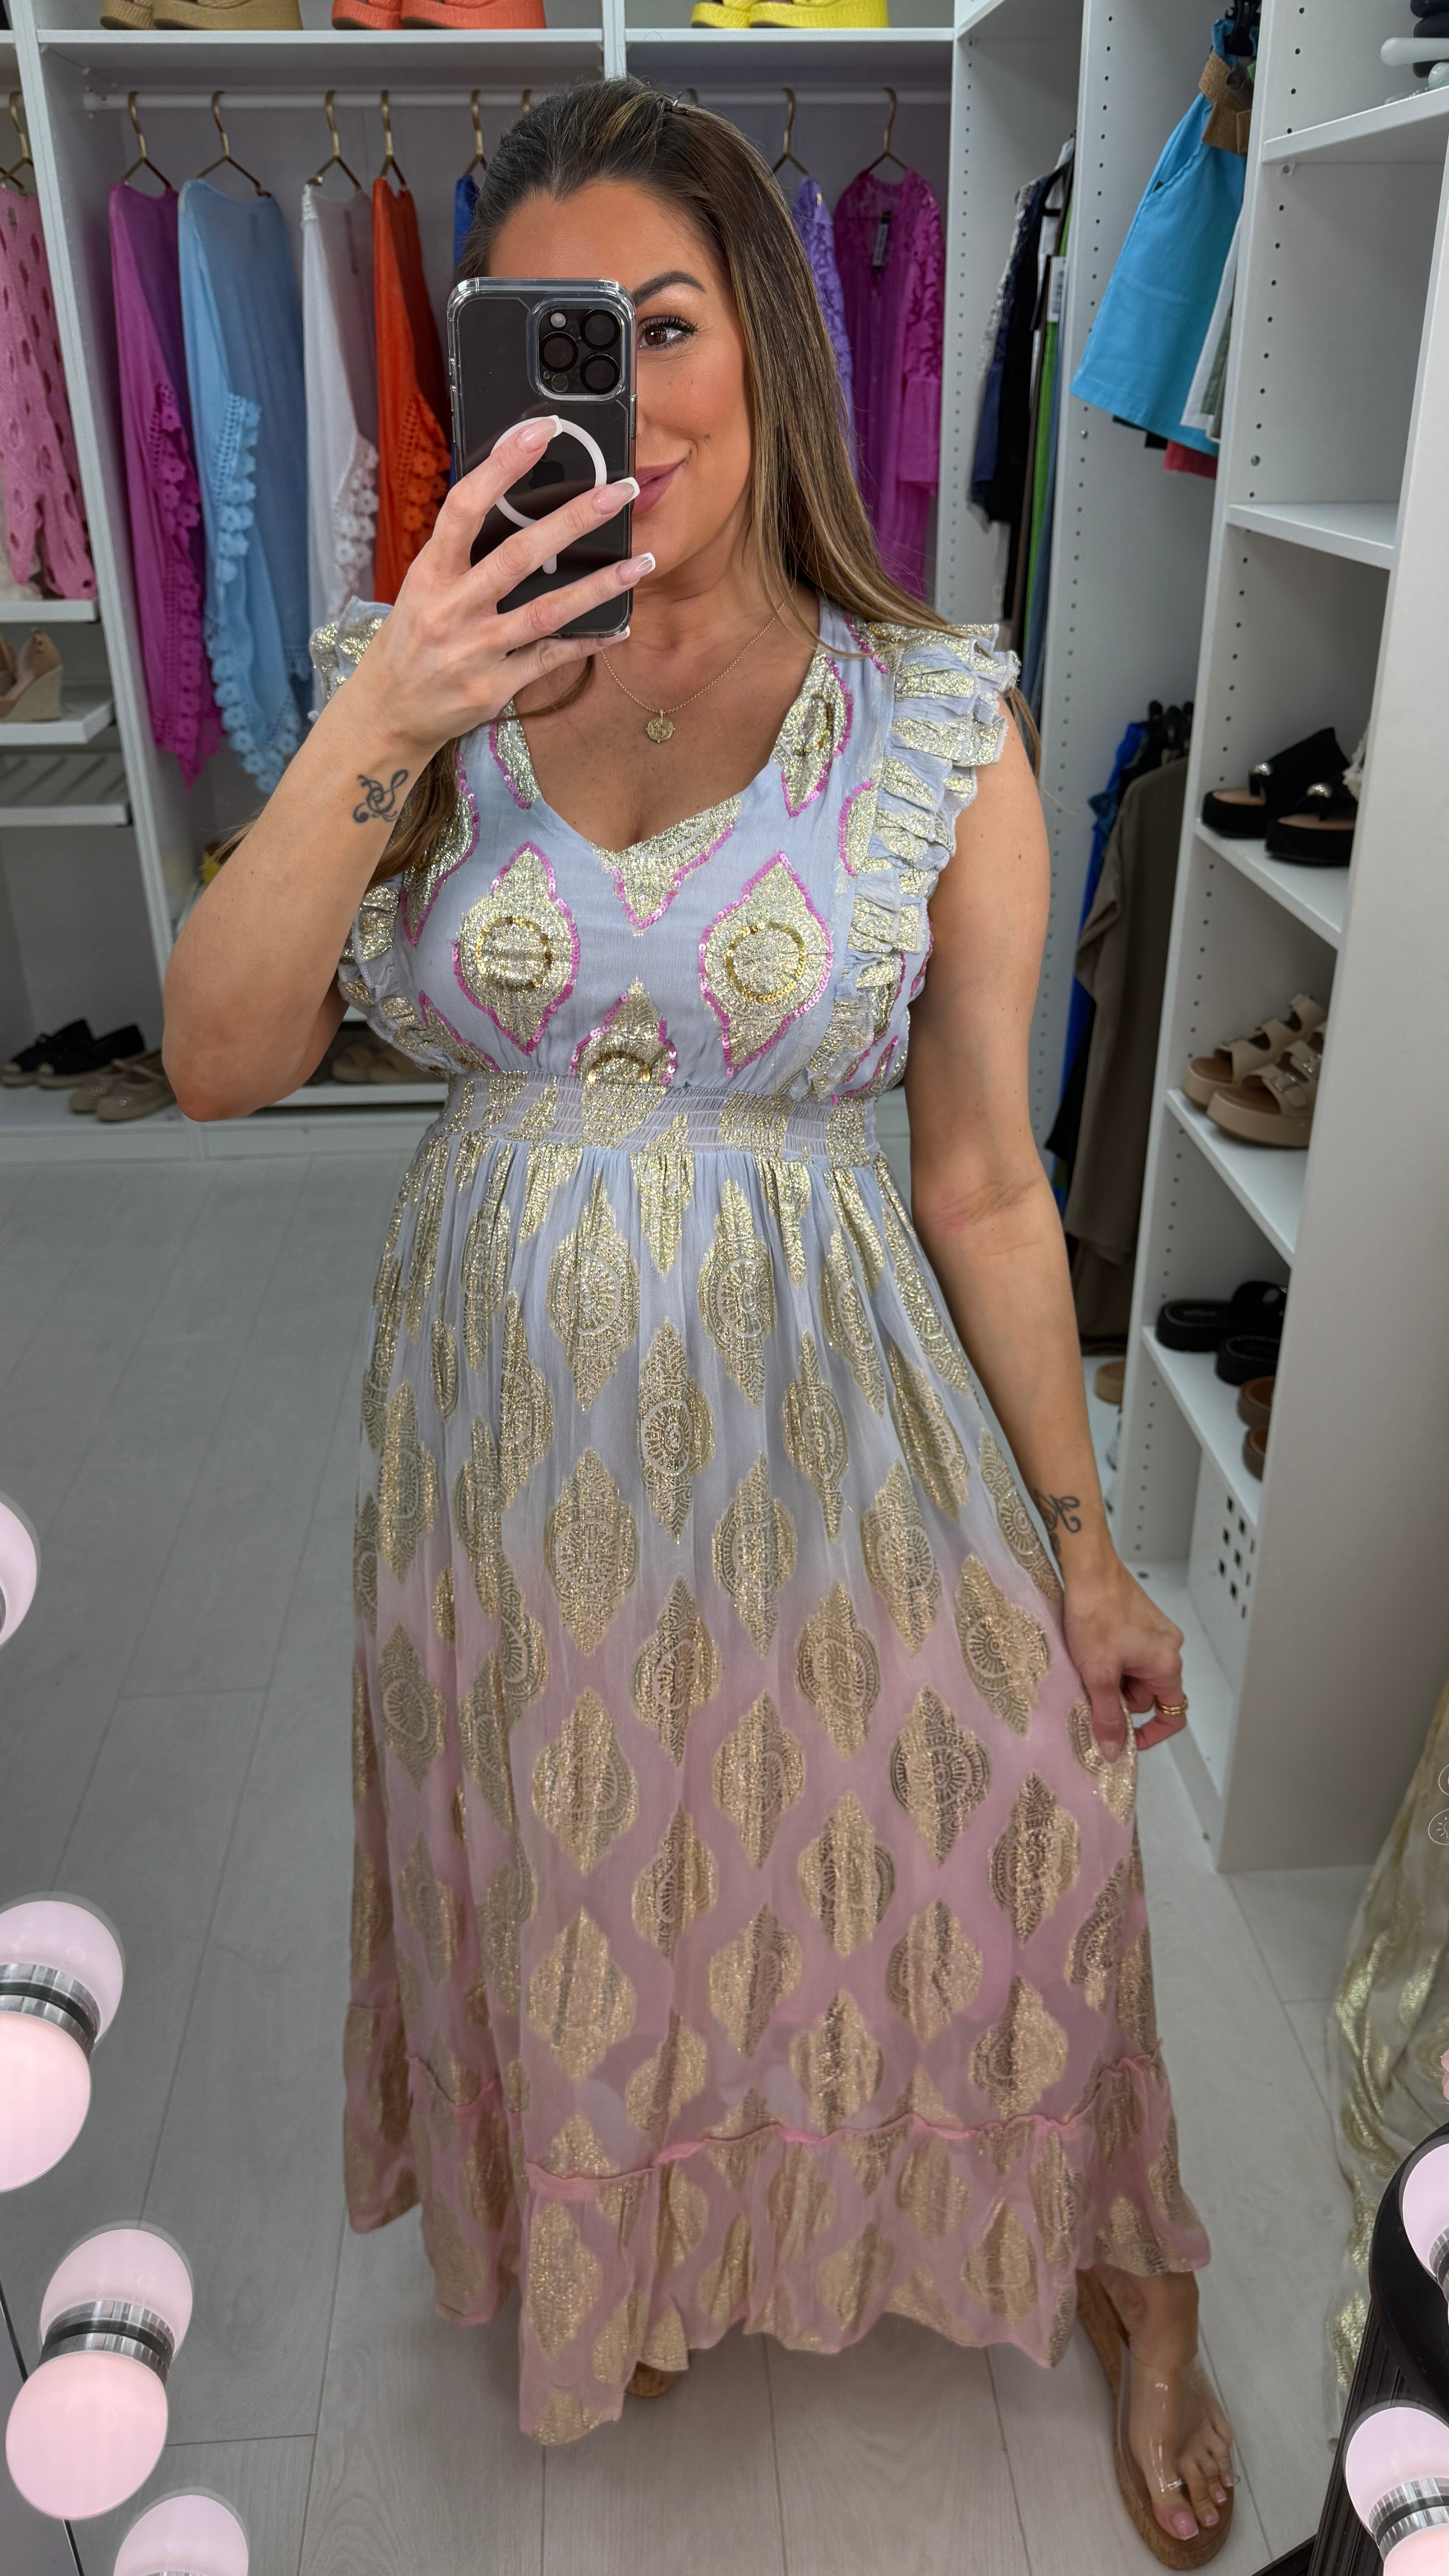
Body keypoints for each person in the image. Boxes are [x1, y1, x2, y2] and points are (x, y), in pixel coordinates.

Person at [162, 79, 1233, 2557]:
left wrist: (1083, 1547)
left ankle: (1126, 2252)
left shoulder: (934, 714)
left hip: (837, 1429)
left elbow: (982, 1177)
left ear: (767, 334)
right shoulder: (417, 690)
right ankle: (641, 2223)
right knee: (592, 1851)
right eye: (557, 339)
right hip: (511, 1453)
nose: (621, 397)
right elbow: (215, 1060)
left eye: (662, 325)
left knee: (1016, 1825)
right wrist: (391, 706)